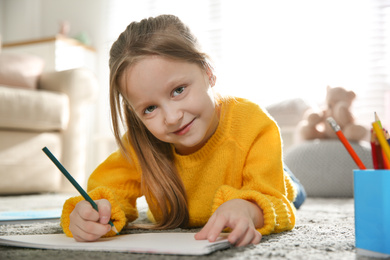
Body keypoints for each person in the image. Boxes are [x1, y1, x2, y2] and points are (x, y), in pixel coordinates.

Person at [60, 14, 306, 247]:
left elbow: (276, 201)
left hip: (265, 176)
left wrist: (250, 209)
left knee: (293, 191)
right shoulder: (141, 144)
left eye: (178, 90)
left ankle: (290, 178)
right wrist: (93, 210)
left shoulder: (254, 124)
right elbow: (106, 189)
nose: (172, 117)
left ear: (208, 72)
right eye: (150, 108)